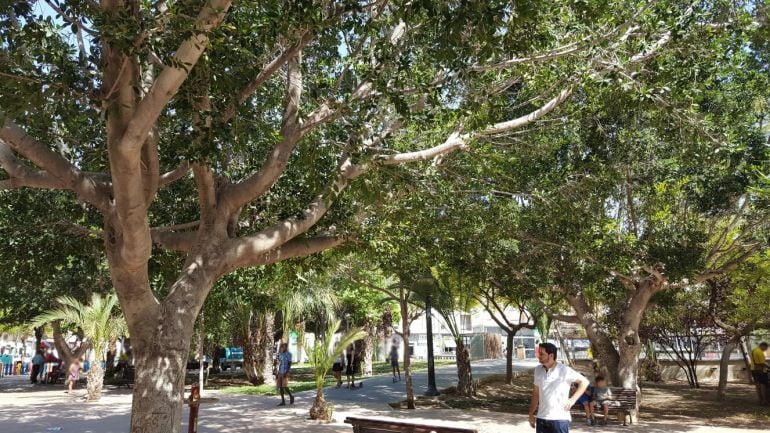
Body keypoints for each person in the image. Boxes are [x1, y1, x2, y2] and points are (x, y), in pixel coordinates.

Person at [529, 342, 589, 433]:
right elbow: (536, 393)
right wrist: (531, 413)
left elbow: (584, 382)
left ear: (551, 355)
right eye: (538, 353)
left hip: (559, 419)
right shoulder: (538, 370)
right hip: (541, 418)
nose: (539, 356)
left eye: (542, 354)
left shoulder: (564, 370)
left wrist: (572, 400)